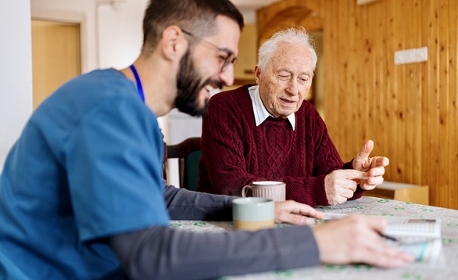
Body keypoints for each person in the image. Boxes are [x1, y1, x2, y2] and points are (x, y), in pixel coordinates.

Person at [0, 1, 412, 279]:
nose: (229, 78)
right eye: (222, 57)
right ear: (174, 41)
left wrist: (263, 207)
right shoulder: (108, 108)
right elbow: (150, 255)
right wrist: (310, 243)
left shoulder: (134, 111)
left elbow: (164, 198)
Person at [197, 27, 389, 207]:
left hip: (292, 224)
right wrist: (316, 189)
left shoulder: (308, 114)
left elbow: (328, 176)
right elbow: (231, 186)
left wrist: (355, 175)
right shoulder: (223, 107)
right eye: (283, 75)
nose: (293, 90)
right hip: (231, 224)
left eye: (303, 79)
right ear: (259, 74)